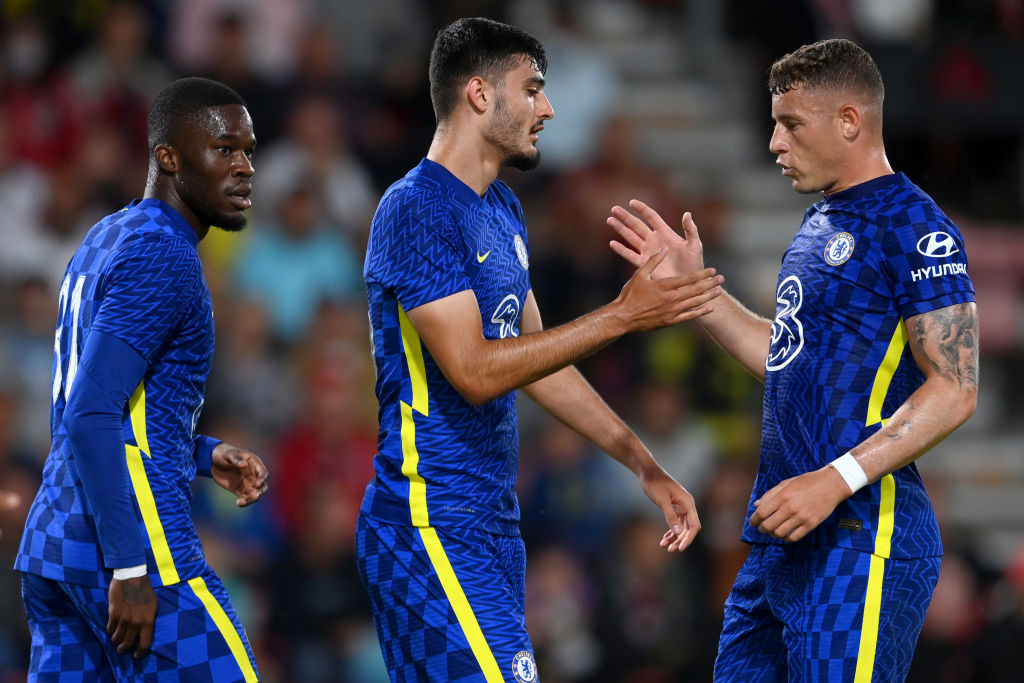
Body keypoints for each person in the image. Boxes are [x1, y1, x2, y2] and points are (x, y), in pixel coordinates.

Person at [355, 17, 724, 682]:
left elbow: (538, 361)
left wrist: (641, 461)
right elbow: (471, 371)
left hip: (490, 522)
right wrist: (621, 315)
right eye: (532, 89)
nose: (548, 108)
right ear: (478, 95)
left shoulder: (502, 209)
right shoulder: (415, 209)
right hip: (426, 518)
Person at [608, 38, 978, 682]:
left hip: (863, 537)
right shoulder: (819, 223)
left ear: (849, 121)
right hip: (782, 536)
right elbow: (786, 358)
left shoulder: (915, 226)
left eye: (790, 124)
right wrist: (700, 292)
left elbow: (957, 387)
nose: (775, 143)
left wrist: (835, 479)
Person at [14, 77, 267, 682]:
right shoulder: (165, 254)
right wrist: (130, 569)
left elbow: (98, 400)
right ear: (168, 157)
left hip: (55, 546)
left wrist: (201, 454)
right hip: (133, 550)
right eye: (225, 149)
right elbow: (89, 413)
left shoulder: (107, 236)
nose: (244, 168)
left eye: (249, 152)